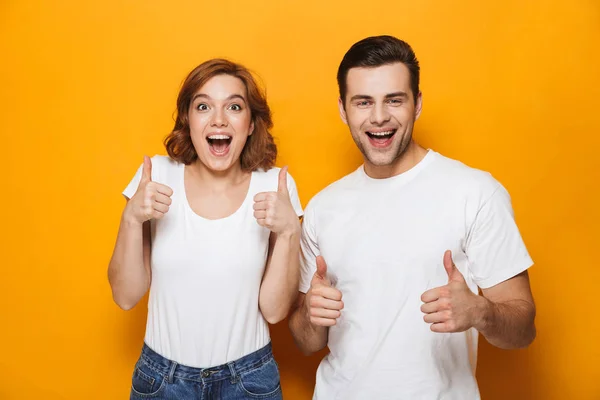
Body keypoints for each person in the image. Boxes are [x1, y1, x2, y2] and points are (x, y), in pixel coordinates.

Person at [288, 35, 536, 399]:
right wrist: (309, 315)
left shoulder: (476, 192)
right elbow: (306, 343)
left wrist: (481, 312)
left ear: (417, 103)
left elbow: (524, 327)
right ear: (343, 109)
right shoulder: (323, 207)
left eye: (394, 100)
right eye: (363, 102)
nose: (378, 117)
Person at [108, 58, 303, 399]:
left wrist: (288, 232)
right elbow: (125, 297)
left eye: (234, 106)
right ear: (188, 119)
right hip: (163, 380)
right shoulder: (156, 177)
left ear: (252, 123)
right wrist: (131, 219)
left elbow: (274, 310)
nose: (218, 119)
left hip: (249, 380)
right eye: (203, 106)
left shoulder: (276, 187)